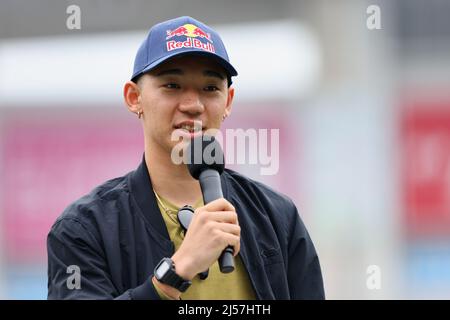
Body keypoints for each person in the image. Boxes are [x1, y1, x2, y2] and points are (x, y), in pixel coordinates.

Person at [47, 16, 325, 300]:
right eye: (172, 85)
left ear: (227, 102)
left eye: (209, 88)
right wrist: (175, 272)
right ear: (134, 98)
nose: (193, 105)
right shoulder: (83, 228)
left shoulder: (276, 216)